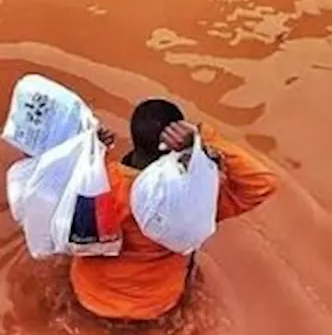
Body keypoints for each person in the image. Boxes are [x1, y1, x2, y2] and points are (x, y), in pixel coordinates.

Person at [69, 98, 278, 322]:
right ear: (176, 144)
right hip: (157, 305)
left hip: (88, 296)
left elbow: (47, 188)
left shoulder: (95, 181)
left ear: (133, 137)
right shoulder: (194, 197)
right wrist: (204, 138)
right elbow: (262, 183)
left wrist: (90, 151)